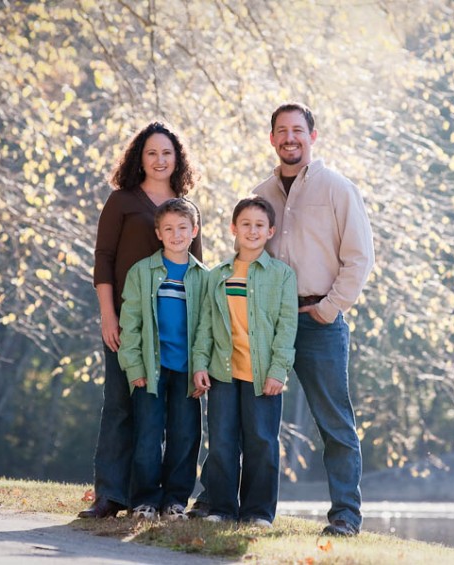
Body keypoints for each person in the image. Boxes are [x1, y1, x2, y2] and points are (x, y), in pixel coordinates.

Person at [252, 103, 375, 536]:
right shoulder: (260, 194)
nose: (290, 138)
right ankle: (256, 511)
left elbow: (360, 258)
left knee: (335, 423)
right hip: (269, 324)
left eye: (298, 130)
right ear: (271, 138)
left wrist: (329, 308)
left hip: (320, 320)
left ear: (312, 136)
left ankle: (345, 515)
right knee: (259, 420)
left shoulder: (338, 189)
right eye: (281, 131)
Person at [80, 122, 203, 519]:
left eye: (167, 153)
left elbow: (199, 271)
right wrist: (108, 315)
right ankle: (110, 494)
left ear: (177, 158)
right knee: (120, 405)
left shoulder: (185, 207)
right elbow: (104, 259)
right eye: (152, 153)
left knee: (172, 417)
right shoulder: (122, 201)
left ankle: (158, 499)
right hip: (128, 325)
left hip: (173, 331)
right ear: (140, 157)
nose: (160, 160)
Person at [191, 196, 297, 528]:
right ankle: (222, 508)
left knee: (262, 444)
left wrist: (279, 370)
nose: (252, 231)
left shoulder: (281, 275)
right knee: (221, 442)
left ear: (271, 231)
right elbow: (205, 323)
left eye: (259, 225)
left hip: (264, 374)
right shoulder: (217, 274)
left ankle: (258, 512)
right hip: (223, 373)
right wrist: (199, 364)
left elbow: (286, 327)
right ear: (234, 228)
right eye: (246, 224)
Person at [117, 198, 208, 520]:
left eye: (183, 228)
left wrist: (201, 367)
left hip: (187, 372)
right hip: (151, 370)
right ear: (158, 233)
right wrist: (134, 367)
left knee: (185, 438)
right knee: (148, 436)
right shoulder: (142, 272)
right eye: (168, 228)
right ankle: (144, 500)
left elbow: (206, 329)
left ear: (194, 231)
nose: (176, 234)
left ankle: (175, 501)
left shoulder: (204, 277)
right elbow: (130, 324)